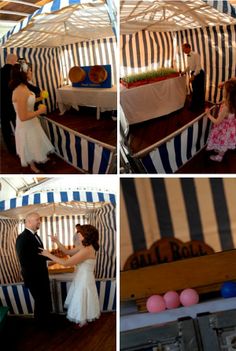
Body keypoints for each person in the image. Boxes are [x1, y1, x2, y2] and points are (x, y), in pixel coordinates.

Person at [40, 224, 101, 328]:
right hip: (82, 276)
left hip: (84, 279)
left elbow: (66, 263)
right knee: (81, 298)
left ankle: (82, 320)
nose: (78, 235)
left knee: (81, 298)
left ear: (86, 235)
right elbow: (67, 251)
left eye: (80, 233)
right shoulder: (85, 246)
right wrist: (57, 241)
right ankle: (82, 320)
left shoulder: (87, 250)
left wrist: (48, 255)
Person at [10, 62, 54, 173]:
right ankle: (32, 165)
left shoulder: (24, 86)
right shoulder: (20, 90)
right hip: (26, 124)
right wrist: (39, 111)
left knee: (36, 142)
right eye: (29, 70)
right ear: (23, 74)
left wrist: (39, 98)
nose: (31, 72)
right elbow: (23, 116)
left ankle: (39, 158)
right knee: (29, 144)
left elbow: (27, 103)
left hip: (32, 121)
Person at [15, 212, 52, 327]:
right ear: (29, 221)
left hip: (41, 275)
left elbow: (39, 253)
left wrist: (50, 259)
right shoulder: (22, 238)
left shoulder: (35, 235)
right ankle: (42, 325)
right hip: (34, 277)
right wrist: (49, 259)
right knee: (41, 301)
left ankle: (42, 322)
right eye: (37, 219)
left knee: (43, 301)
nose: (39, 221)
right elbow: (24, 261)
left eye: (39, 219)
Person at [205, 78, 236, 162]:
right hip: (230, 128)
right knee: (224, 142)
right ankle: (220, 150)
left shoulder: (226, 107)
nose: (223, 91)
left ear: (228, 93)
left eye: (224, 90)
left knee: (223, 142)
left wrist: (208, 114)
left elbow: (217, 121)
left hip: (224, 129)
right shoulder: (233, 101)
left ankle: (220, 156)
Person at [0, 53, 18, 154]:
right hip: (13, 103)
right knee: (17, 124)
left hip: (2, 104)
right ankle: (20, 144)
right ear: (13, 60)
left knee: (5, 127)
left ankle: (9, 147)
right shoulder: (13, 72)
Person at [182, 43, 205, 112]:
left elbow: (198, 67)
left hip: (199, 74)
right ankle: (195, 106)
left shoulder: (195, 54)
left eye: (183, 49)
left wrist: (193, 76)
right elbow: (189, 66)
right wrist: (184, 71)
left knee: (199, 91)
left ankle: (200, 107)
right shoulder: (188, 56)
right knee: (195, 91)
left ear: (188, 48)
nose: (183, 50)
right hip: (193, 73)